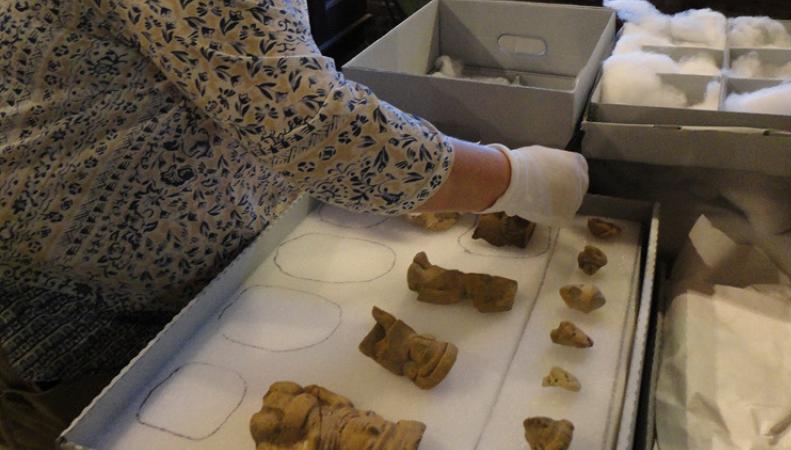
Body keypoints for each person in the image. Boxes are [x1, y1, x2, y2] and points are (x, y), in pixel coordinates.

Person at [0, 0, 588, 448]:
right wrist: (519, 179)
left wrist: (403, 179)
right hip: (85, 313)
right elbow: (304, 118)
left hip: (192, 270)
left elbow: (233, 80)